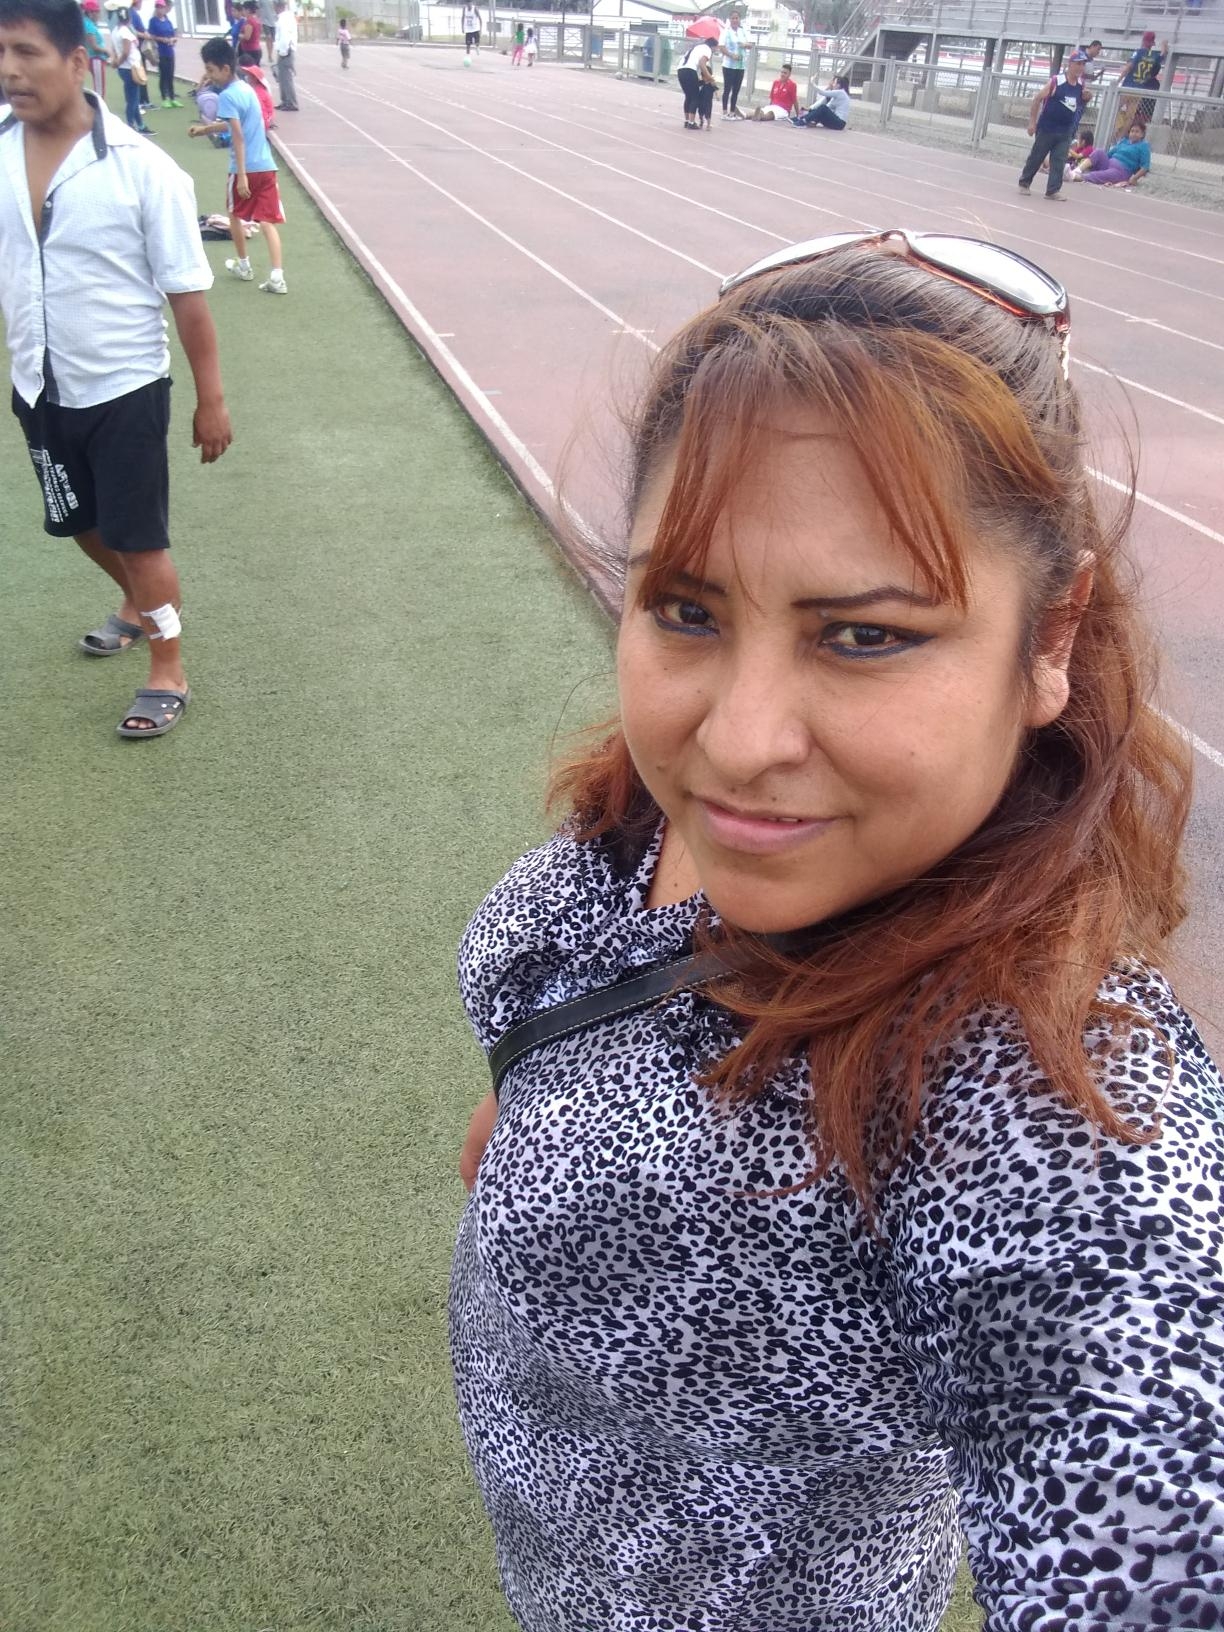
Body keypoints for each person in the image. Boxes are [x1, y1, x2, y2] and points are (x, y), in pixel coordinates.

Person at [451, 227, 1224, 1631]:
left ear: (1051, 638)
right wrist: (534, 1117)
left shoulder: (1039, 1100)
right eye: (687, 608)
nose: (740, 743)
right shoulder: (667, 815)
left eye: (864, 635)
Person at [0, 0, 231, 737]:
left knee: (139, 537)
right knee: (76, 522)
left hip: (123, 386)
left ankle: (168, 667)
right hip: (38, 382)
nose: (9, 70)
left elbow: (188, 298)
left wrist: (211, 400)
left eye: (26, 52)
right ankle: (138, 602)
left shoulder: (143, 169)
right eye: (0, 54)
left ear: (77, 61)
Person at [189, 35, 286, 293]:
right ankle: (277, 276)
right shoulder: (246, 89)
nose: (209, 76)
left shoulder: (227, 96)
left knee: (233, 215)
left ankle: (244, 266)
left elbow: (238, 136)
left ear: (225, 69)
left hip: (244, 168)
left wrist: (241, 175)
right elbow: (236, 124)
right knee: (267, 220)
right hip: (266, 165)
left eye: (211, 70)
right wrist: (205, 129)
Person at [1017, 53, 1086, 200]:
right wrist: (1032, 122)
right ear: (1070, 64)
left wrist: (1087, 98)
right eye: (1078, 63)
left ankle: (1053, 190)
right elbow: (1037, 99)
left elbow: (1079, 104)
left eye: (1083, 64)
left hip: (1065, 130)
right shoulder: (1057, 81)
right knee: (1037, 156)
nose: (1080, 67)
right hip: (1047, 127)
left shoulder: (1081, 85)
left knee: (1059, 160)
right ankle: (1024, 182)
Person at [106, 4, 149, 133]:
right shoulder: (125, 32)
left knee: (133, 99)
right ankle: (131, 126)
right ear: (128, 18)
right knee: (133, 100)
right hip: (130, 68)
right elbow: (125, 52)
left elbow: (114, 49)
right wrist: (117, 63)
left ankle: (140, 125)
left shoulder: (116, 30)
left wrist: (115, 61)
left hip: (127, 68)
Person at [1117, 30, 1166, 133]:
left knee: (1114, 109)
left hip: (1127, 87)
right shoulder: (1154, 56)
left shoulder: (1138, 52)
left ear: (1143, 40)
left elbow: (1129, 67)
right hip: (1139, 90)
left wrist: (1118, 81)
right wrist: (1164, 45)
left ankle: (1113, 133)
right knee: (1130, 117)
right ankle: (1120, 137)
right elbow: (1162, 54)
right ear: (1152, 43)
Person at [1079, 118, 1152, 187]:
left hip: (1121, 171)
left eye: (1137, 132)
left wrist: (1134, 178)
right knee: (1099, 151)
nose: (1134, 134)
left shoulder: (1143, 146)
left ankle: (1078, 177)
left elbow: (1145, 166)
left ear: (1142, 134)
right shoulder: (1124, 141)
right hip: (1108, 164)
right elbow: (1108, 155)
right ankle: (1077, 170)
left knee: (1100, 175)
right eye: (1132, 131)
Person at [717, 8, 751, 118]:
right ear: (730, 19)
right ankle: (724, 112)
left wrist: (745, 45)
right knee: (727, 89)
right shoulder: (726, 32)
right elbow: (721, 47)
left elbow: (750, 45)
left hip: (740, 66)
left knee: (736, 90)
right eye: (733, 18)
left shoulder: (743, 31)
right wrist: (731, 55)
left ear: (739, 19)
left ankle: (732, 112)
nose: (735, 20)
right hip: (729, 65)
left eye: (737, 18)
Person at [677, 33, 712, 131]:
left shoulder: (695, 47)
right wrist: (709, 77)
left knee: (688, 96)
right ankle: (691, 122)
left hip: (680, 70)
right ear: (713, 46)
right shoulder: (707, 49)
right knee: (695, 97)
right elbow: (702, 63)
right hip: (690, 70)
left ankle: (687, 120)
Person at [146, 0, 178, 107]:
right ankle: (164, 98)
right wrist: (162, 39)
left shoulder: (168, 21)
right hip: (160, 51)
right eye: (158, 7)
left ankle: (172, 98)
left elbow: (173, 34)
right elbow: (151, 36)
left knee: (170, 74)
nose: (160, 9)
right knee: (163, 75)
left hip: (170, 51)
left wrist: (173, 39)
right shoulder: (153, 21)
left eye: (162, 7)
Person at [80, 0, 107, 95]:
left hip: (95, 58)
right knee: (100, 89)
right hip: (95, 58)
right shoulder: (89, 25)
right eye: (97, 11)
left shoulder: (89, 24)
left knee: (100, 88)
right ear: (90, 12)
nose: (98, 14)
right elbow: (94, 46)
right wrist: (107, 51)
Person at [238, 55, 273, 128]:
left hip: (262, 121)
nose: (246, 77)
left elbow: (260, 111)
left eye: (248, 75)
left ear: (254, 78)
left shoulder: (258, 92)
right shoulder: (256, 88)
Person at [272, 0, 295, 109]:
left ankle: (291, 102)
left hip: (285, 51)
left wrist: (283, 51)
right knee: (282, 77)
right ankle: (285, 100)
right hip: (284, 50)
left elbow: (285, 36)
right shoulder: (284, 17)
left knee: (286, 78)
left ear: (278, 6)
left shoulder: (284, 18)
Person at [696, 44, 717, 129]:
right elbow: (697, 84)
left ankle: (708, 124)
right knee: (700, 112)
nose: (705, 78)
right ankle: (701, 121)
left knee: (708, 113)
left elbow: (715, 88)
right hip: (701, 100)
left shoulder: (711, 83)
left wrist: (717, 96)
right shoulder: (702, 83)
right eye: (703, 76)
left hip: (708, 101)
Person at [236, 0, 259, 65]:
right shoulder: (255, 19)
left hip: (250, 50)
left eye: (243, 10)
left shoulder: (250, 21)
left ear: (248, 10)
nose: (242, 12)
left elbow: (247, 37)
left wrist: (239, 35)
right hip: (254, 48)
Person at [257, 0, 275, 65]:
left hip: (273, 21)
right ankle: (269, 56)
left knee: (272, 39)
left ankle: (270, 54)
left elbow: (275, 7)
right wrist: (258, 19)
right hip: (265, 21)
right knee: (268, 37)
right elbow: (258, 8)